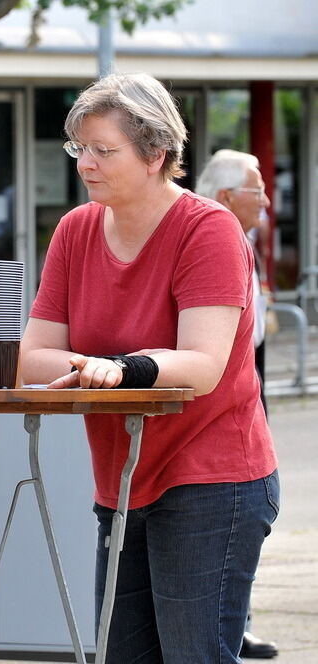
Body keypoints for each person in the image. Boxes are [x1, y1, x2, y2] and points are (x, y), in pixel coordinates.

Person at [20, 73, 278, 663]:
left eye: (103, 150)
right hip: (123, 478)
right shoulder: (74, 230)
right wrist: (99, 367)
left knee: (195, 656)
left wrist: (119, 367)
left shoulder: (208, 228)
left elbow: (204, 365)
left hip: (214, 478)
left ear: (157, 154)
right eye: (78, 147)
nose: (85, 163)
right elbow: (34, 358)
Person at [197, 149, 279, 659]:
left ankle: (239, 620)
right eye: (257, 191)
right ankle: (235, 623)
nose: (267, 201)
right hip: (218, 403)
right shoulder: (212, 239)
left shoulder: (242, 239)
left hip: (249, 387)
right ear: (227, 196)